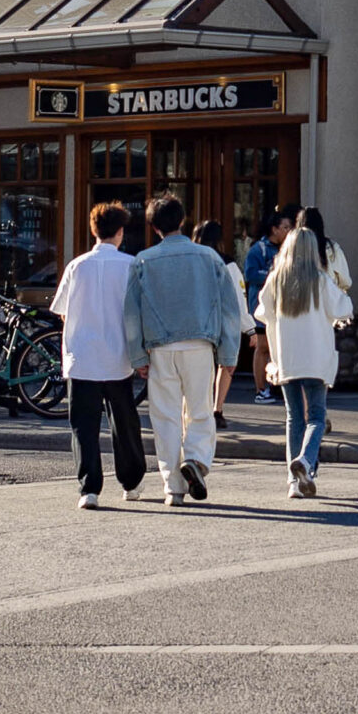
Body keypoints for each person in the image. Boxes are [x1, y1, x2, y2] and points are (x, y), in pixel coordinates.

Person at [120, 194, 252, 507]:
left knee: (165, 417)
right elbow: (230, 309)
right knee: (200, 411)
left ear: (153, 227)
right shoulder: (210, 258)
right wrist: (229, 353)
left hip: (160, 347)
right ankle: (196, 460)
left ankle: (172, 488)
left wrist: (137, 356)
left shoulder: (142, 261)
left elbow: (131, 313)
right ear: (182, 221)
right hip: (200, 344)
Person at [255, 213, 354, 496]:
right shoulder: (321, 280)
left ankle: (293, 482)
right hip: (317, 358)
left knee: (293, 417)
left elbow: (263, 313)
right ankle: (306, 461)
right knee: (317, 417)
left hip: (287, 357)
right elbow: (343, 308)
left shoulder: (276, 279)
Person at [56, 206, 144, 510]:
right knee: (125, 421)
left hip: (82, 354)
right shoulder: (131, 265)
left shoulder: (77, 266)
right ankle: (131, 482)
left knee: (83, 424)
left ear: (94, 231)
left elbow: (63, 310)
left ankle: (89, 488)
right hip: (119, 355)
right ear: (120, 232)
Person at [194, 220, 247, 429]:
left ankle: (201, 408)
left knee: (199, 366)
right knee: (224, 365)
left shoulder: (191, 260)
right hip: (221, 321)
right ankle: (217, 408)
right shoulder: (226, 263)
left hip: (195, 322)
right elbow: (237, 298)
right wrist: (248, 327)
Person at [243, 205, 295, 405]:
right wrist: (274, 277)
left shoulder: (287, 249)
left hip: (283, 306)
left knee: (279, 346)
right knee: (263, 347)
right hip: (261, 306)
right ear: (274, 229)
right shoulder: (259, 249)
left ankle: (277, 384)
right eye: (286, 227)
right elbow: (250, 274)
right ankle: (261, 389)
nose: (288, 232)